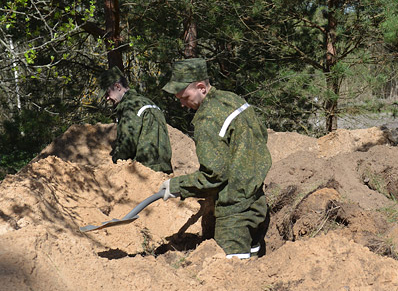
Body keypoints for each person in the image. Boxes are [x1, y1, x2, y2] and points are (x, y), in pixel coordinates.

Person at [160, 58, 271, 260]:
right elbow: (261, 136)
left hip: (234, 213)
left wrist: (177, 185)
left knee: (229, 276)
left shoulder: (207, 119)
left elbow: (214, 175)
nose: (183, 104)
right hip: (257, 201)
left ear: (201, 87)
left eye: (185, 97)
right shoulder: (233, 101)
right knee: (254, 264)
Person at [100, 67, 173, 174]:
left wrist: (114, 161)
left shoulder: (130, 107)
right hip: (165, 170)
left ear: (117, 86)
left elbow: (127, 146)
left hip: (144, 172)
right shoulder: (148, 102)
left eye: (107, 93)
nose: (107, 98)